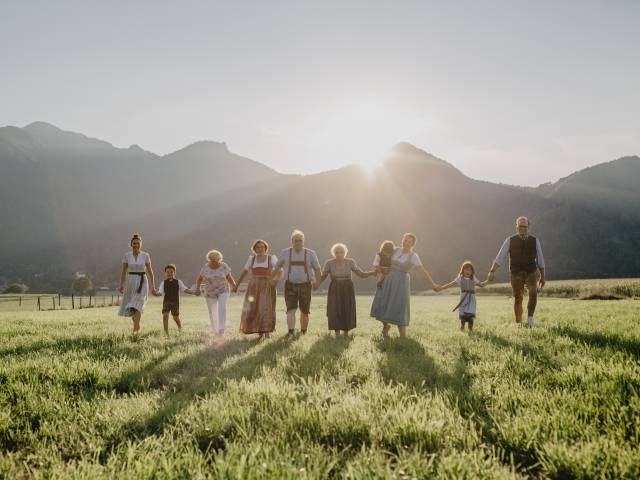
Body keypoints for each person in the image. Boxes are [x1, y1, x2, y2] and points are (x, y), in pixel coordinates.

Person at [370, 233, 441, 338]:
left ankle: (402, 337)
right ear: (402, 240)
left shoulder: (413, 256)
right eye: (405, 240)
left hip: (401, 283)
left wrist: (433, 284)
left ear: (413, 244)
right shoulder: (395, 250)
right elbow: (382, 255)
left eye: (409, 241)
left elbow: (421, 271)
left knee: (400, 307)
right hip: (388, 280)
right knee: (383, 303)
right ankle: (386, 327)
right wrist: (379, 270)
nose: (406, 243)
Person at [486, 216, 546, 328]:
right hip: (516, 273)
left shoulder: (535, 241)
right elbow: (500, 257)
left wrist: (543, 277)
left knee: (533, 293)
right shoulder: (509, 240)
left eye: (525, 226)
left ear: (529, 227)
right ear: (516, 227)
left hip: (531, 272)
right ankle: (519, 323)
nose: (522, 228)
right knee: (518, 297)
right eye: (520, 226)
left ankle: (530, 319)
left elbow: (540, 259)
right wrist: (492, 271)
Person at [316, 243, 376, 335]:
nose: (339, 254)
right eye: (337, 252)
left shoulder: (350, 262)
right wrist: (314, 282)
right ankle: (337, 333)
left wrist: (373, 272)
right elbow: (322, 277)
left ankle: (346, 332)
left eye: (341, 252)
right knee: (334, 309)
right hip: (335, 288)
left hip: (348, 288)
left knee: (347, 309)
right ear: (334, 253)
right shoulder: (329, 263)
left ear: (345, 253)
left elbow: (361, 274)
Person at [271, 229, 322, 337]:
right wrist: (270, 279)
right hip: (290, 284)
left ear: (303, 241)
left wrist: (317, 283)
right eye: (296, 240)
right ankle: (291, 331)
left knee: (305, 310)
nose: (298, 242)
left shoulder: (311, 253)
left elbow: (317, 269)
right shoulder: (285, 253)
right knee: (291, 309)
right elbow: (277, 267)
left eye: (300, 240)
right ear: (292, 241)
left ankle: (303, 332)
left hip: (306, 285)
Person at [234, 239, 281, 339]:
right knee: (254, 308)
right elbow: (244, 272)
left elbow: (280, 271)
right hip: (253, 286)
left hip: (267, 286)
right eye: (258, 247)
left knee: (265, 307)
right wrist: (237, 285)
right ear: (254, 249)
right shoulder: (251, 259)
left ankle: (267, 331)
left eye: (262, 247)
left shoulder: (271, 258)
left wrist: (275, 281)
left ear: (265, 248)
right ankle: (260, 332)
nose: (260, 249)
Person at [118, 233, 157, 335]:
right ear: (131, 244)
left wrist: (153, 287)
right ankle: (137, 325)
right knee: (132, 307)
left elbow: (150, 271)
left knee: (138, 304)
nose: (136, 245)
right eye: (134, 243)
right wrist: (121, 285)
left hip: (142, 281)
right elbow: (123, 271)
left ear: (141, 244)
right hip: (130, 281)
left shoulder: (145, 255)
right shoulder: (127, 255)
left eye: (138, 243)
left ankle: (135, 331)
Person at [195, 250, 237, 340]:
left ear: (220, 259)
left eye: (217, 260)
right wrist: (197, 289)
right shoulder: (205, 268)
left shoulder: (224, 266)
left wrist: (234, 286)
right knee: (212, 311)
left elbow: (229, 277)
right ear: (209, 259)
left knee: (222, 308)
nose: (215, 262)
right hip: (210, 292)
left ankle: (221, 330)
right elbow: (199, 279)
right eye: (212, 260)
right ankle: (216, 331)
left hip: (223, 290)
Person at [438, 260, 487, 332]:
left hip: (471, 301)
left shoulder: (473, 278)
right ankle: (462, 327)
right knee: (463, 317)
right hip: (463, 301)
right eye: (466, 269)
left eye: (470, 270)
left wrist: (489, 280)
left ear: (472, 271)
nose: (468, 271)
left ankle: (470, 329)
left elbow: (481, 285)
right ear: (463, 270)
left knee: (471, 316)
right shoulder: (460, 278)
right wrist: (441, 288)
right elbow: (451, 284)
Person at [152, 264, 197, 337]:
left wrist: (194, 292)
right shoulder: (163, 282)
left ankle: (180, 327)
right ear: (165, 273)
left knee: (175, 317)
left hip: (175, 302)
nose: (169, 273)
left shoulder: (178, 282)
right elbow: (160, 292)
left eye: (171, 272)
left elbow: (185, 289)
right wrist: (155, 294)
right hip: (166, 302)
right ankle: (166, 333)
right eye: (167, 272)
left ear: (174, 272)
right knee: (165, 315)